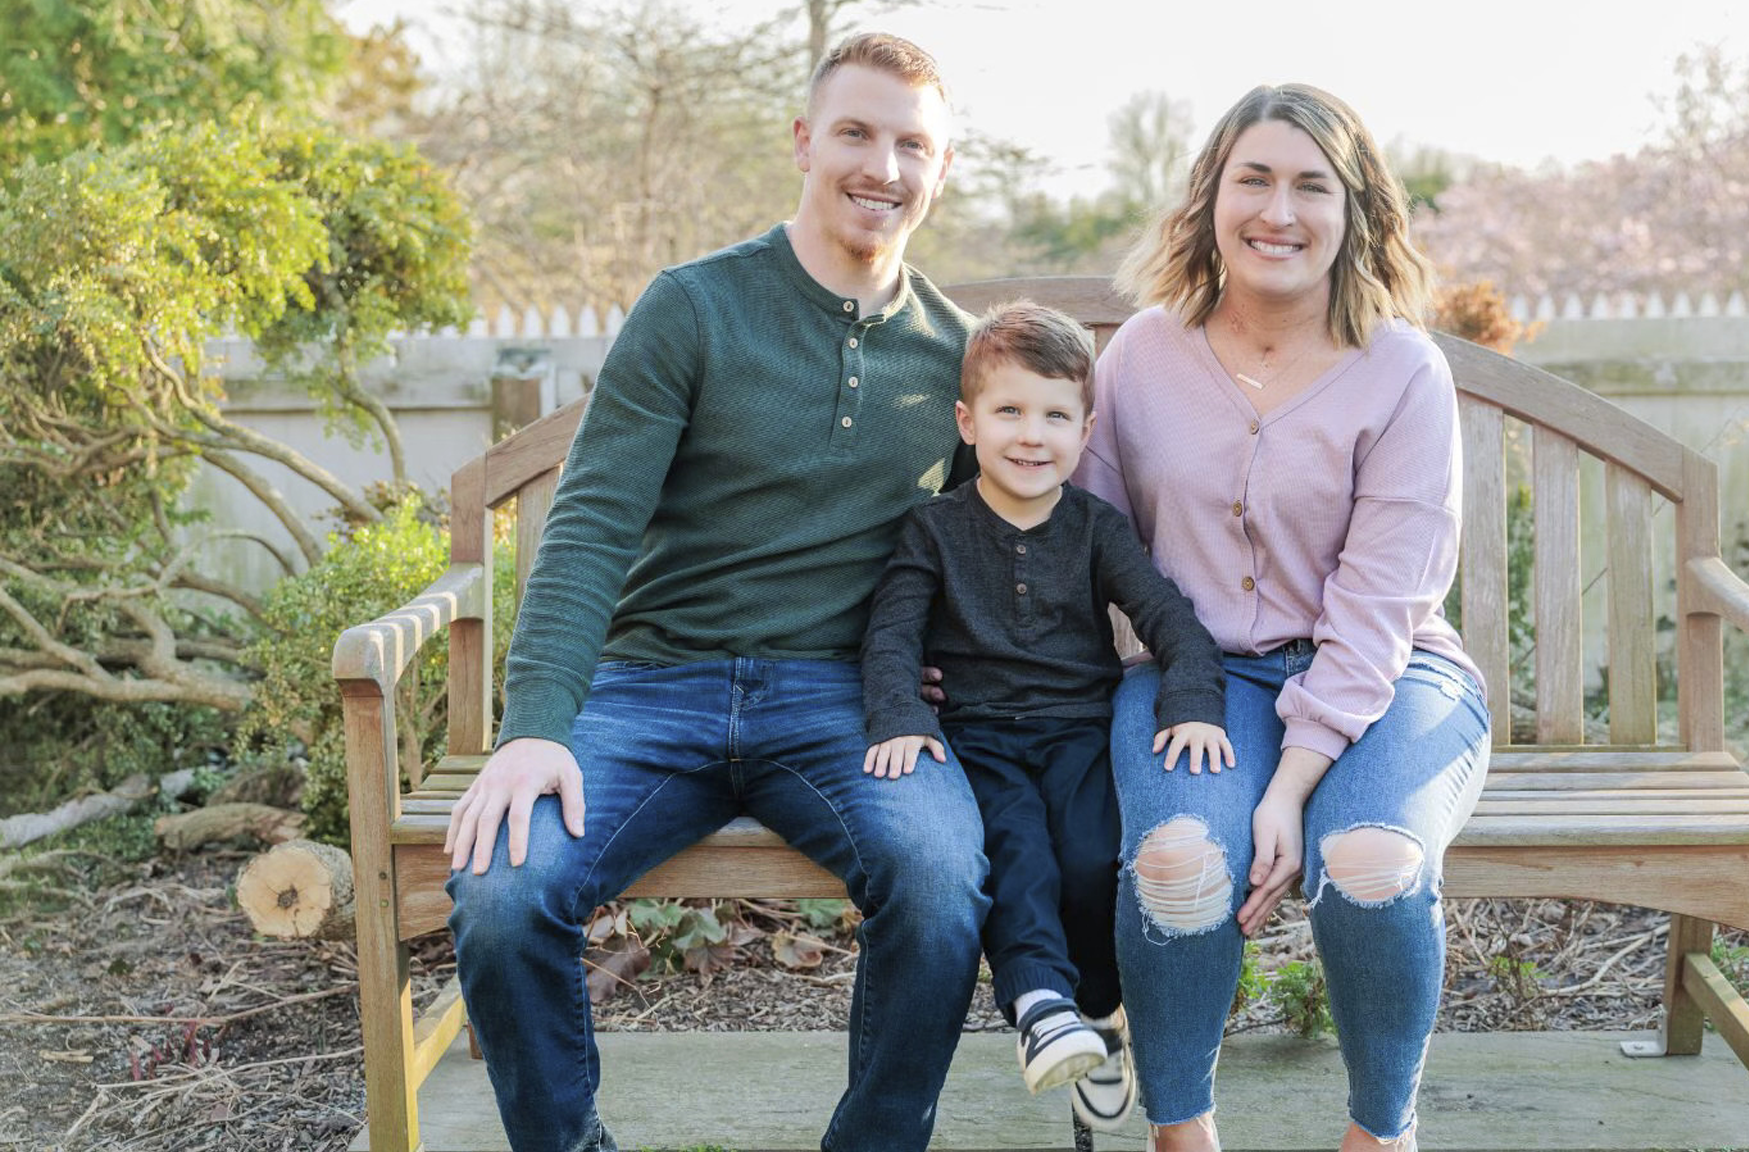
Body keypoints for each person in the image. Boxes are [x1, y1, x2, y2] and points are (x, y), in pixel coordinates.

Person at [438, 33, 991, 1152]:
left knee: (938, 885)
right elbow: (590, 524)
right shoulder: (693, 307)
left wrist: (941, 661)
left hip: (840, 702)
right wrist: (535, 725)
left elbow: (989, 545)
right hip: (650, 687)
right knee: (501, 894)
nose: (881, 165)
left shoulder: (958, 357)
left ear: (941, 167)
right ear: (801, 140)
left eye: (911, 144)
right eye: (855, 132)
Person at [1071, 84, 1494, 1152]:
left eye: (1312, 185)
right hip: (1193, 680)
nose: (1278, 210)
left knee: (1366, 860)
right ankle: (1180, 1133)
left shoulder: (1401, 371)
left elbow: (1380, 602)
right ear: (1211, 196)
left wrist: (1295, 781)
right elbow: (1081, 548)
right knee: (1176, 862)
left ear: (1353, 213)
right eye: (1252, 178)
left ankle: (1379, 1135)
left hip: (1387, 679)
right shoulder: (1140, 358)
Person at [859, 302, 1231, 1121]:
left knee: (1096, 859)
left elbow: (1170, 619)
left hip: (1079, 730)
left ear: (1086, 429)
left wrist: (1193, 700)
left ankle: (1094, 1013)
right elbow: (890, 634)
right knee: (1017, 856)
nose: (1033, 435)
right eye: (1010, 412)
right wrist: (900, 718)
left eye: (1056, 416)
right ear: (968, 422)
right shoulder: (934, 529)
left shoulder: (1096, 529)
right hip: (979, 739)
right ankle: (1038, 1009)